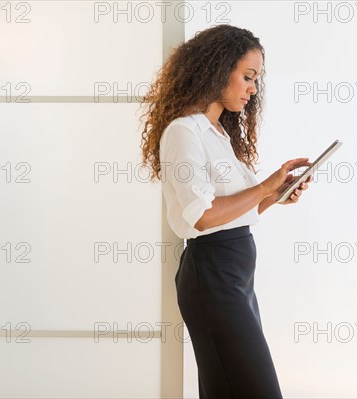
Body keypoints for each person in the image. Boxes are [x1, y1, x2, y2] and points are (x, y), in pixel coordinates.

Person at [140, 24, 312, 399]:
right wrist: (264, 186)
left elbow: (234, 208)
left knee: (228, 388)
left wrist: (275, 195)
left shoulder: (217, 133)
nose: (253, 88)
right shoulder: (184, 132)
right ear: (217, 70)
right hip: (213, 276)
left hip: (233, 276)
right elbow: (202, 217)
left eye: (257, 80)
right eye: (248, 77)